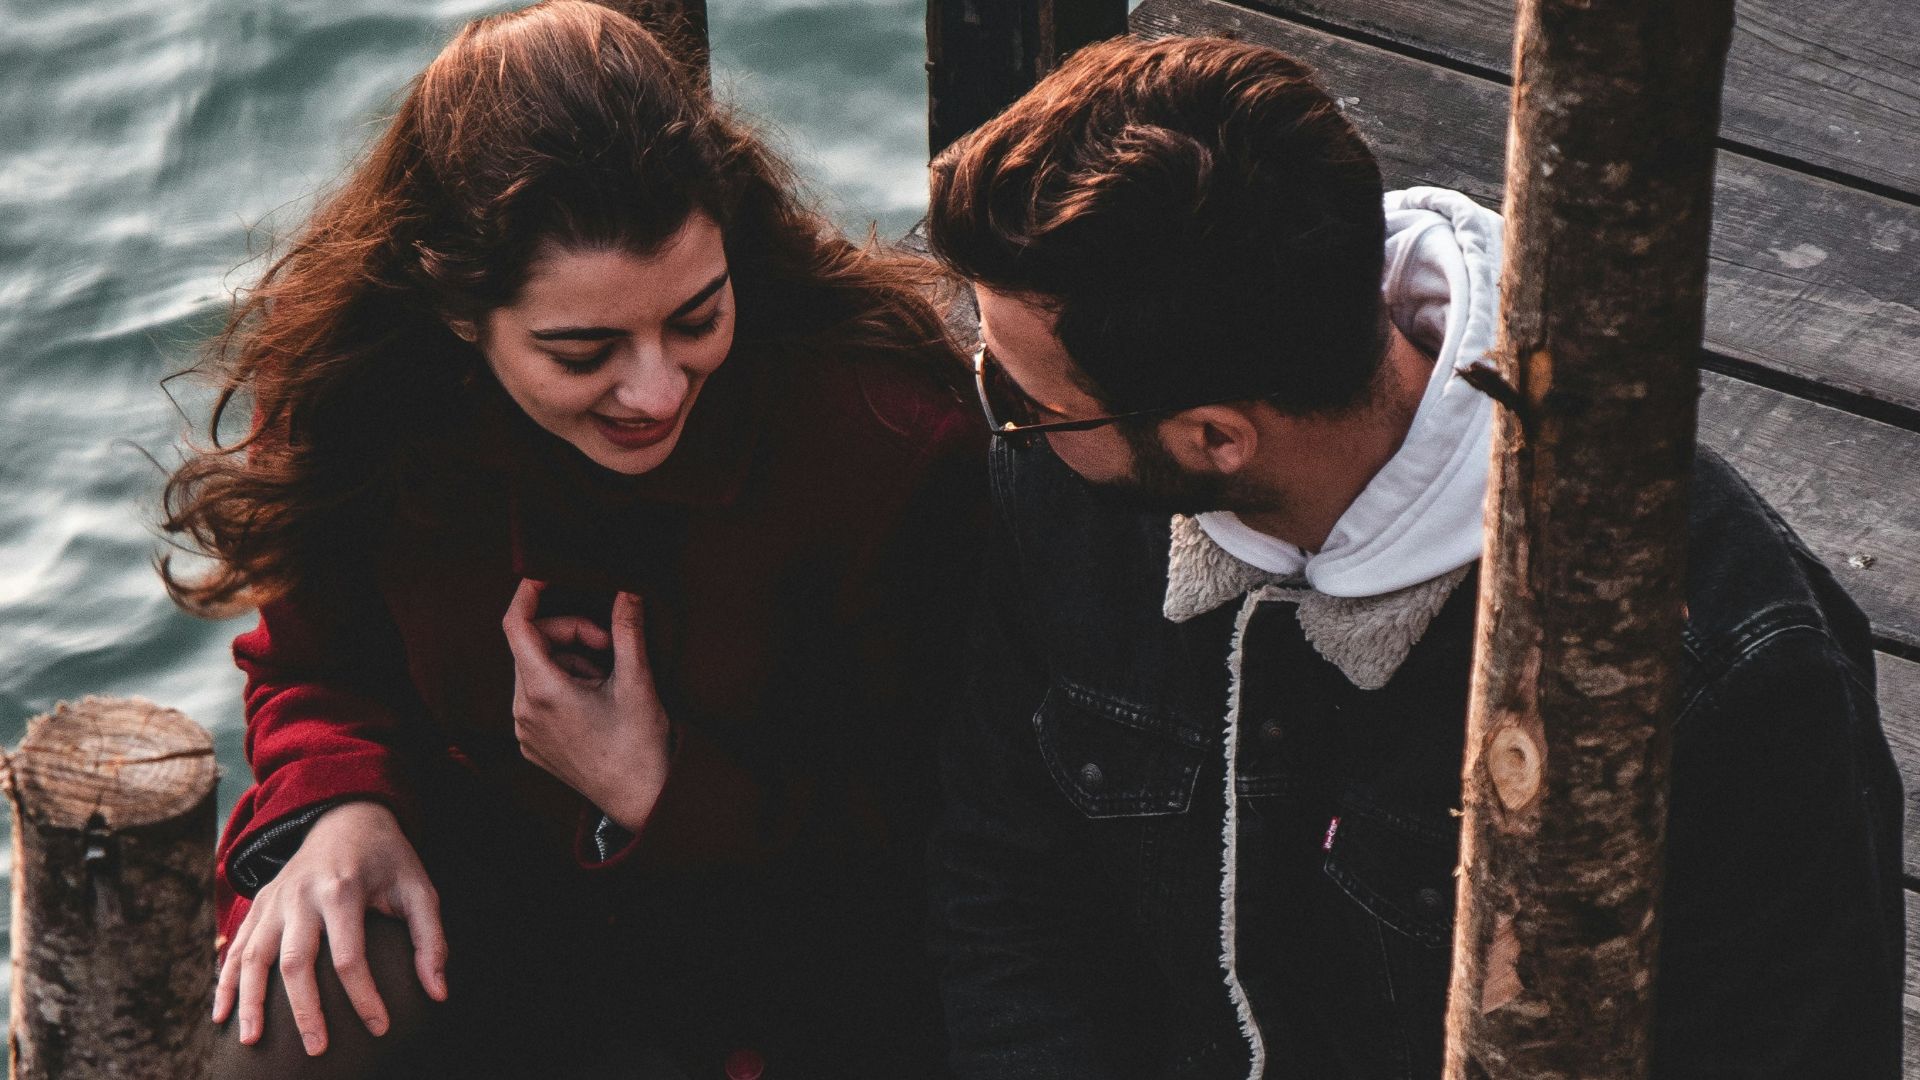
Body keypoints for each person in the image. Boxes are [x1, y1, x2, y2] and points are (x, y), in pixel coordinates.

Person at [922, 34, 1903, 1079]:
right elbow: (1008, 886)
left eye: (1028, 401)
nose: (1006, 415)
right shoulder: (1078, 476)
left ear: (1215, 438)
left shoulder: (1730, 677)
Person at [161, 3, 983, 1076]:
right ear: (459, 311)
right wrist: (342, 803)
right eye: (584, 351)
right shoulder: (353, 399)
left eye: (698, 317)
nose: (657, 389)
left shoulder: (884, 442)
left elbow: (948, 835)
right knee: (287, 1022)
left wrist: (660, 789)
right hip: (479, 909)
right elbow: (314, 668)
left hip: (780, 964)